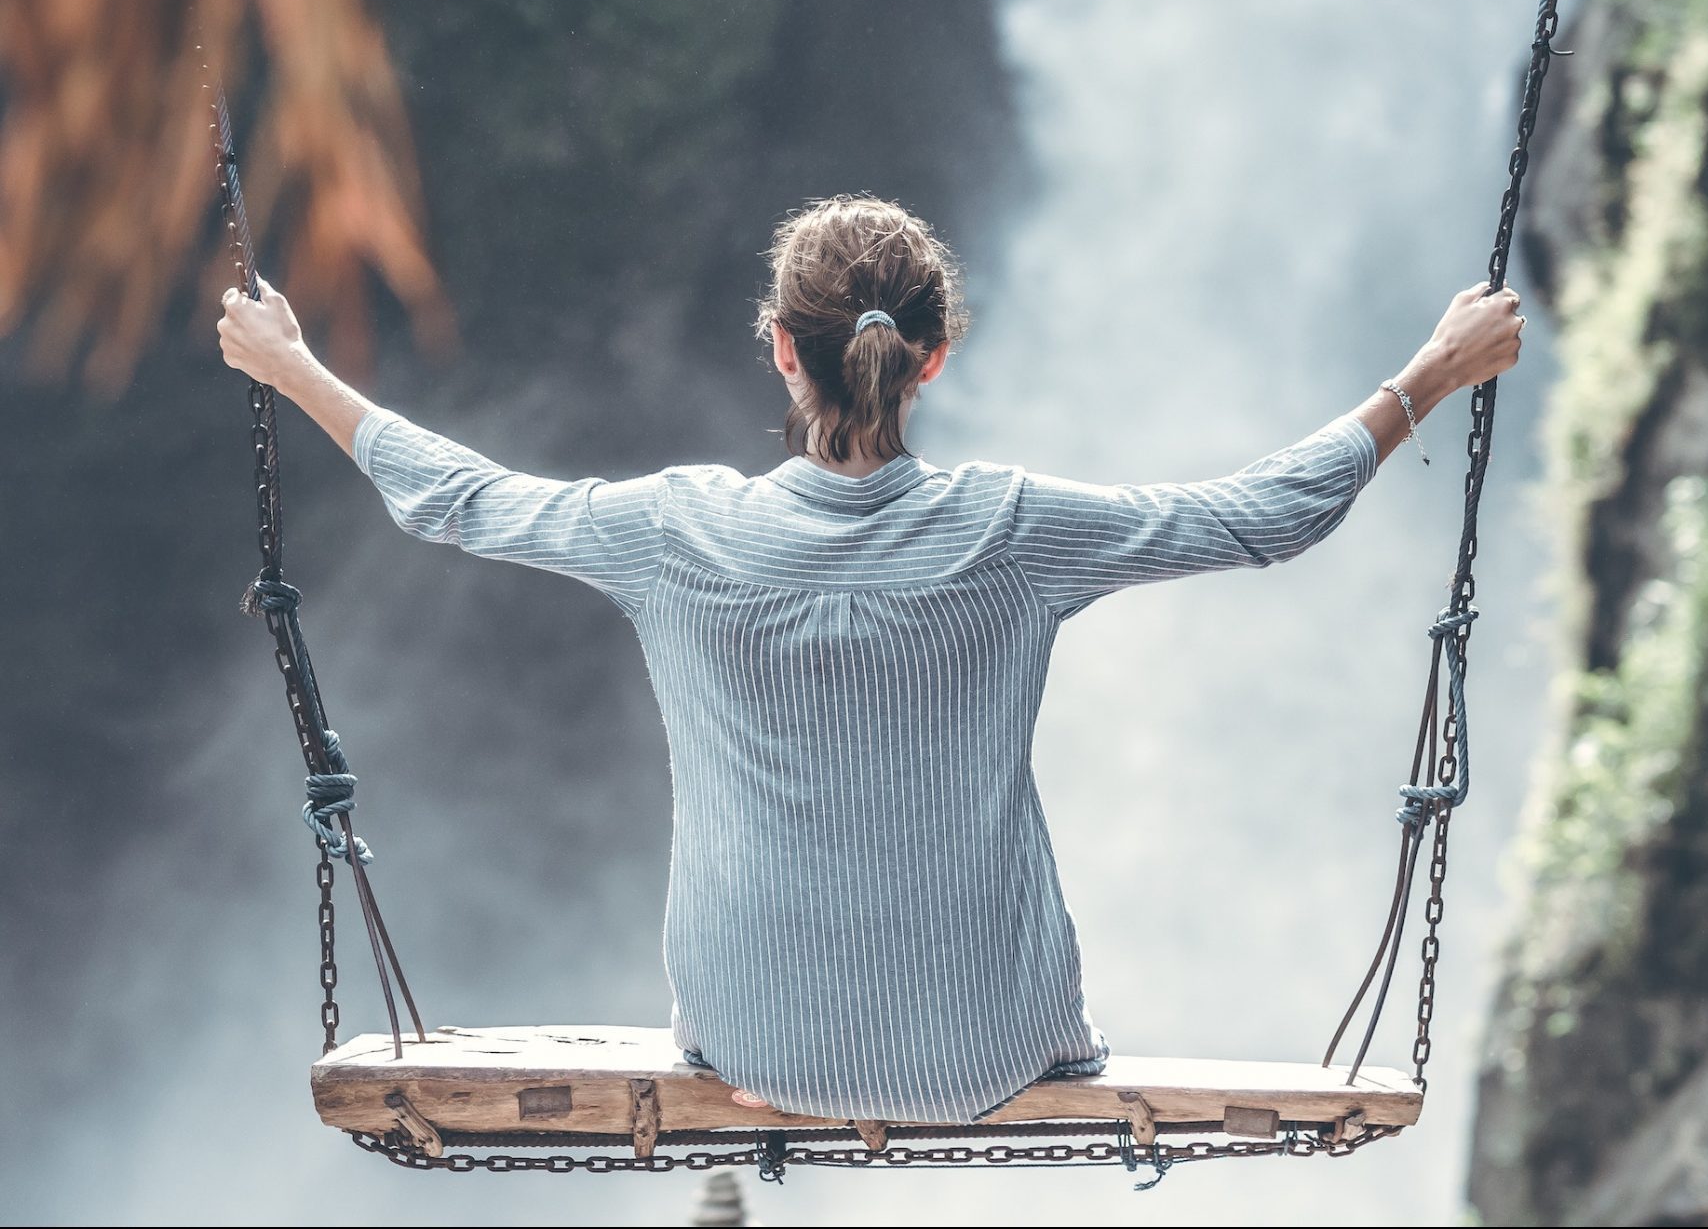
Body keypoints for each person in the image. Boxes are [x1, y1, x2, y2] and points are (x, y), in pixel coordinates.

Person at [216, 193, 1524, 1125]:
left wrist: (295, 369)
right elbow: (1260, 519)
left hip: (751, 1042)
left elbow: (461, 499)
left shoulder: (676, 531)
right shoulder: (1017, 531)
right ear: (933, 360)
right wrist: (1427, 375)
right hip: (995, 1050)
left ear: (781, 348)